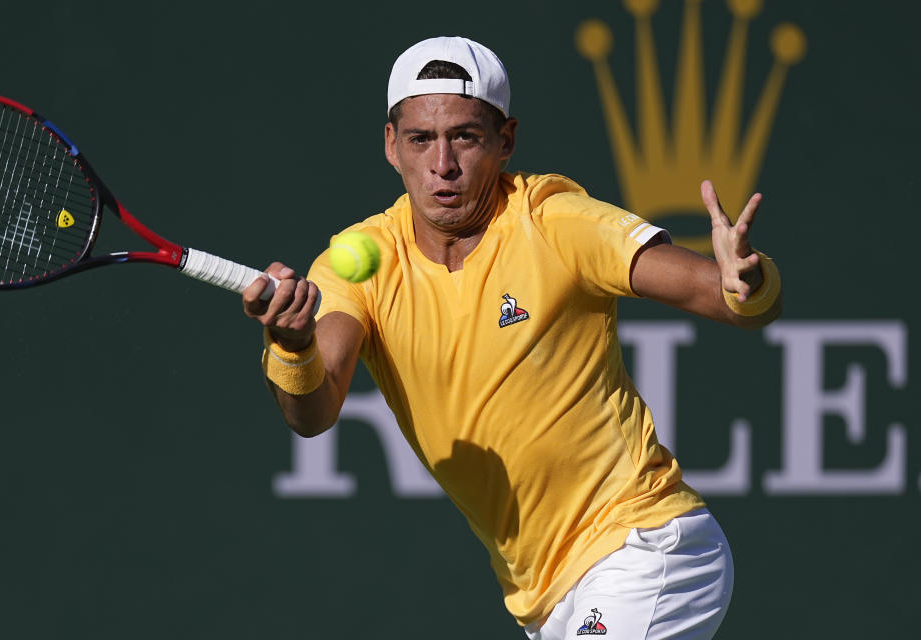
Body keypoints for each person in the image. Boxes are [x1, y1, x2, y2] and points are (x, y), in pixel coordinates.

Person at [242, 36, 781, 640]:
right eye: (421, 139)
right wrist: (293, 348)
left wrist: (744, 283)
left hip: (645, 548)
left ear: (506, 141)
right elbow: (313, 412)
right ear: (392, 145)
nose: (442, 164)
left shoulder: (554, 222)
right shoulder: (357, 262)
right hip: (547, 598)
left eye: (465, 137)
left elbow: (727, 299)